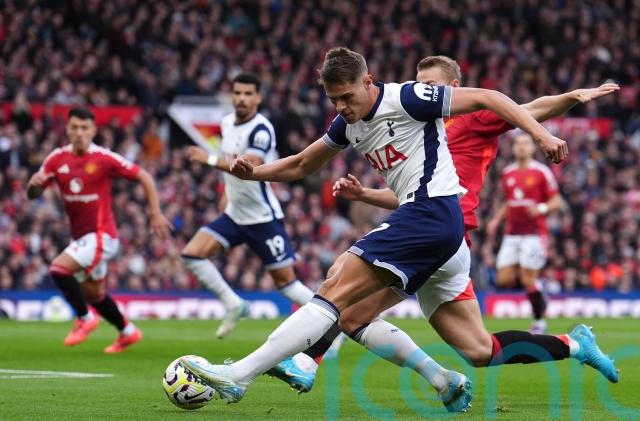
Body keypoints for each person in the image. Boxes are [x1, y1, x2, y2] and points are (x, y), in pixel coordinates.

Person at [179, 47, 581, 412]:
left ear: (368, 82)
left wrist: (543, 136)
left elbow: (489, 98)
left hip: (431, 214)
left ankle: (242, 375)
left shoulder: (407, 98)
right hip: (434, 228)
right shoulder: (347, 123)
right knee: (357, 314)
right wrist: (253, 173)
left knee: (335, 287)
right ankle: (445, 380)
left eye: (347, 96)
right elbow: (302, 164)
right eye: (333, 100)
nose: (342, 107)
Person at [264, 56, 619, 399]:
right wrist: (365, 194)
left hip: (441, 230)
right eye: (419, 84)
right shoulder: (416, 123)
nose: (423, 90)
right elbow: (409, 194)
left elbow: (530, 107)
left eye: (431, 85)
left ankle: (307, 361)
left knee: (347, 295)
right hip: (429, 229)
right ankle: (574, 345)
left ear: (454, 86)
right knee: (480, 351)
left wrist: (572, 98)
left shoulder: (472, 118)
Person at [26, 107, 173, 353]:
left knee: (59, 269)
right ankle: (128, 332)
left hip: (102, 235)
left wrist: (155, 213)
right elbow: (33, 193)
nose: (79, 133)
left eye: (84, 128)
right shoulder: (56, 159)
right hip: (82, 238)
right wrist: (33, 186)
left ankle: (84, 318)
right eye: (75, 127)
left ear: (93, 130)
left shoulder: (104, 158)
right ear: (67, 129)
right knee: (94, 294)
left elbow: (144, 176)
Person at [182, 72, 316, 338]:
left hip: (262, 218)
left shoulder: (261, 129)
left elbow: (249, 168)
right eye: (237, 93)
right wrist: (226, 193)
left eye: (247, 94)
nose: (241, 98)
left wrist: (208, 160)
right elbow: (229, 160)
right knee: (192, 254)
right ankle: (234, 304)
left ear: (258, 98)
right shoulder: (226, 123)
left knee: (287, 284)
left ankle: (330, 321)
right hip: (235, 214)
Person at [487, 133, 564, 334]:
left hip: (534, 234)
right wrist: (496, 220)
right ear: (513, 149)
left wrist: (541, 208)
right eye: (518, 144)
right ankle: (540, 290)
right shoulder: (508, 173)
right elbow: (509, 201)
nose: (521, 147)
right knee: (503, 279)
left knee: (527, 279)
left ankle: (539, 322)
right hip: (512, 234)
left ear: (532, 148)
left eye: (525, 144)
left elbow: (556, 201)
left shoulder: (541, 172)